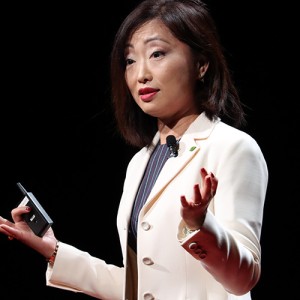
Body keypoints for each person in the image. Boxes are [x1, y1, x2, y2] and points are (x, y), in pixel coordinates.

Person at [0, 0, 268, 299]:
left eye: (157, 54)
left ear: (201, 64)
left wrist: (200, 225)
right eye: (130, 60)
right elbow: (141, 288)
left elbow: (243, 278)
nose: (141, 74)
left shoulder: (232, 148)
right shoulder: (141, 161)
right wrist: (54, 251)